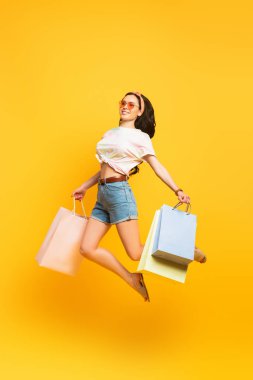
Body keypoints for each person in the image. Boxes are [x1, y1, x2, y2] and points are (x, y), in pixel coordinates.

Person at [71, 91, 207, 302]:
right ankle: (132, 279)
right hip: (102, 195)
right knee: (87, 248)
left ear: (140, 111)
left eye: (131, 105)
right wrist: (84, 186)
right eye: (123, 103)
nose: (125, 106)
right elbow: (105, 168)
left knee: (135, 252)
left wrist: (177, 189)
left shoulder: (140, 138)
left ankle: (188, 251)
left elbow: (156, 166)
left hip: (119, 194)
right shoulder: (109, 134)